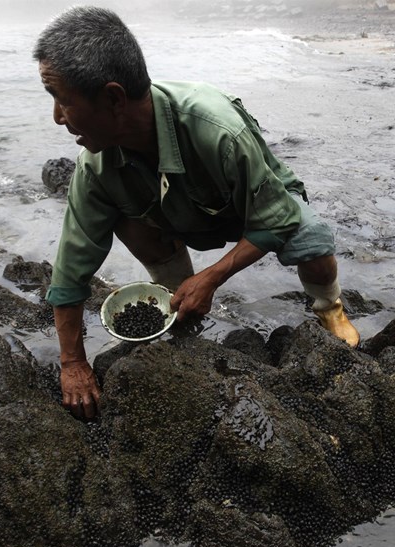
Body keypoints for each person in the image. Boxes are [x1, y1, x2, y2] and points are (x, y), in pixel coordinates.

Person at [34, 6, 360, 419]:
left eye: (63, 102)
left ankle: (329, 308)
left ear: (114, 98)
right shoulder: (95, 167)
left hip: (252, 207)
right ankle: (179, 302)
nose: (57, 117)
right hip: (174, 214)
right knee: (119, 214)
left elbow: (275, 217)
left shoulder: (219, 130)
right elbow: (71, 267)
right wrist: (72, 362)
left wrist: (213, 276)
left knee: (310, 240)